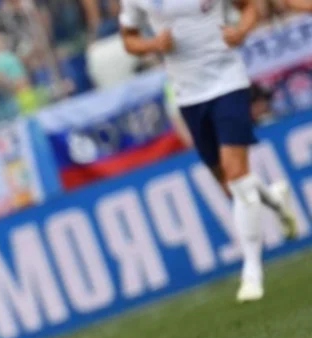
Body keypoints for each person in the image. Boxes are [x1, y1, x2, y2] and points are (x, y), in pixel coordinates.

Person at [119, 0, 297, 302]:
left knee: (237, 175)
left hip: (228, 81)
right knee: (229, 184)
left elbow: (250, 6)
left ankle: (252, 270)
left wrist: (240, 31)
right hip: (187, 94)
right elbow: (128, 39)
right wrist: (153, 44)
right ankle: (275, 201)